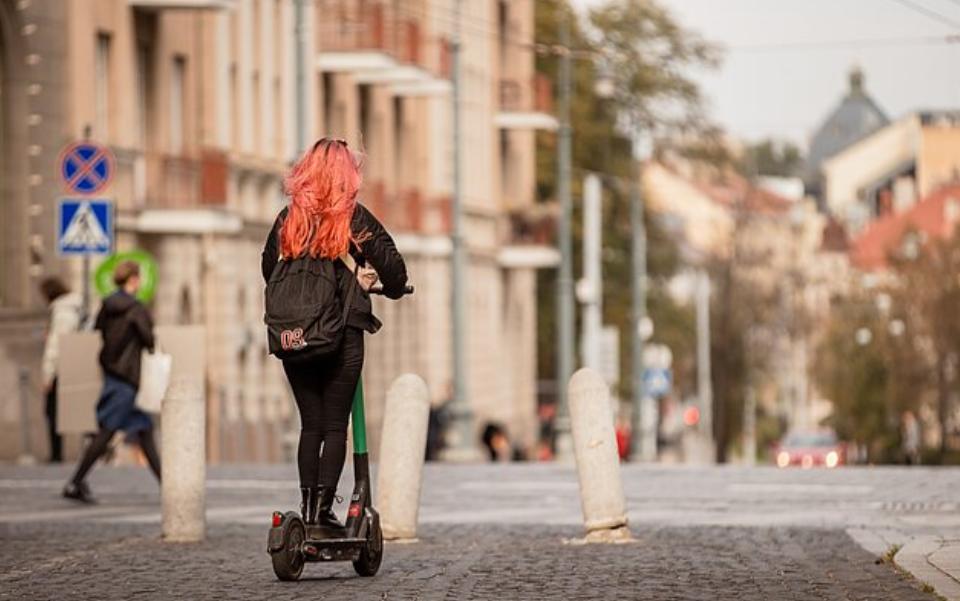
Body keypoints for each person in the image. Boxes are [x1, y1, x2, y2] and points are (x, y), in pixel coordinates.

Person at [261, 137, 407, 531]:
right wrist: (376, 284)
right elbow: (394, 270)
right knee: (333, 425)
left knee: (310, 424)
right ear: (349, 175)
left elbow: (268, 271)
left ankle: (306, 512)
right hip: (340, 333)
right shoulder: (354, 218)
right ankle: (325, 511)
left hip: (293, 336)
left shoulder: (286, 219)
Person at [63, 261, 162, 503]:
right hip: (128, 377)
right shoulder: (137, 308)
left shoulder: (107, 305)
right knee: (107, 431)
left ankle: (167, 484)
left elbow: (98, 331)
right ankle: (74, 483)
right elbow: (149, 340)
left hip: (111, 372)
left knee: (144, 430)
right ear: (134, 280)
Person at [39, 277, 82, 463]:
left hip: (60, 370)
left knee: (52, 412)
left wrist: (48, 374)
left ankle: (57, 454)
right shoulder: (74, 309)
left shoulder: (62, 312)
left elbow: (55, 346)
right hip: (73, 366)